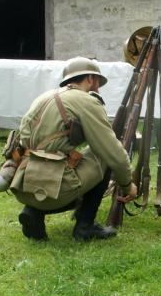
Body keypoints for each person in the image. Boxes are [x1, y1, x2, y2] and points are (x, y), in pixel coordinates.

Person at [8, 58, 138, 241]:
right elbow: (113, 152)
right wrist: (127, 185)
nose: (98, 89)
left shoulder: (43, 97)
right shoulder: (86, 101)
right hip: (51, 193)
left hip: (23, 186)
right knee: (103, 155)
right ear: (91, 79)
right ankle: (85, 225)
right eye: (98, 83)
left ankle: (33, 212)